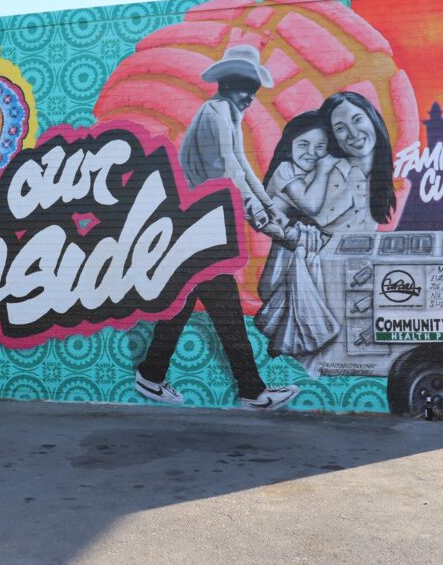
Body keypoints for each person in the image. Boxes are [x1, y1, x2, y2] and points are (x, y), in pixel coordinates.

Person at [135, 44, 300, 410]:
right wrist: (262, 219)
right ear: (228, 83)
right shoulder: (216, 112)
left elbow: (243, 166)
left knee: (185, 306)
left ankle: (151, 374)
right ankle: (252, 392)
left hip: (201, 226)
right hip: (200, 225)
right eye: (247, 89)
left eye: (254, 91)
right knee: (224, 310)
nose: (251, 98)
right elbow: (228, 171)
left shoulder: (226, 114)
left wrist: (270, 209)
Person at [254, 111, 341, 367]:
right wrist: (325, 170)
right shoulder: (284, 170)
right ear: (289, 144)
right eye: (303, 144)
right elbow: (312, 206)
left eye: (320, 147)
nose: (311, 152)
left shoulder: (310, 174)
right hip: (285, 255)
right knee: (288, 300)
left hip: (298, 249)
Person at [314, 91, 396, 233]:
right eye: (340, 128)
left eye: (357, 120)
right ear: (333, 136)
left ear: (373, 119)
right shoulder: (330, 173)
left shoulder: (378, 174)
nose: (353, 133)